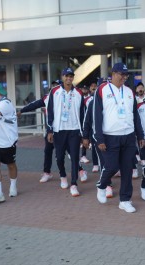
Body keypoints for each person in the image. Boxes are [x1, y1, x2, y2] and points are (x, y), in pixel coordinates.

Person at [94, 63, 145, 213]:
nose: (124, 77)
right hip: (110, 136)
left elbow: (135, 115)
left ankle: (125, 200)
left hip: (128, 136)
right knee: (111, 166)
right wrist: (99, 139)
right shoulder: (102, 90)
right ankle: (102, 185)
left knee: (127, 169)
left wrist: (140, 134)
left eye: (126, 75)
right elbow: (97, 116)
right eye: (121, 74)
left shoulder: (129, 91)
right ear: (113, 74)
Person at [18, 89, 88, 183]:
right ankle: (47, 172)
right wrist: (22, 110)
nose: (55, 88)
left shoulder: (69, 96)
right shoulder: (48, 97)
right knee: (48, 150)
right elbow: (34, 104)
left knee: (71, 152)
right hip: (51, 130)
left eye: (57, 85)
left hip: (64, 129)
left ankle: (80, 170)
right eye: (53, 86)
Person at [47, 67, 85, 197]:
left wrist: (84, 133)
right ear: (62, 77)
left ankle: (74, 184)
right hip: (59, 130)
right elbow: (50, 112)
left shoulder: (79, 93)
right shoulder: (55, 91)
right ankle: (62, 175)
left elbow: (82, 114)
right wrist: (50, 130)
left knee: (75, 157)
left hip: (74, 130)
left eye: (71, 76)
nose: (69, 78)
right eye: (66, 76)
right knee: (59, 157)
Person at [80, 85, 91, 164]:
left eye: (86, 89)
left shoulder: (90, 98)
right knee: (84, 138)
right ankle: (83, 155)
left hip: (90, 121)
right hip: (81, 121)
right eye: (83, 89)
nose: (84, 90)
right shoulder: (79, 98)